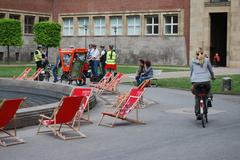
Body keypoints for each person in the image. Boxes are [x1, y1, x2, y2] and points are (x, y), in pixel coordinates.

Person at [190, 49, 215, 120]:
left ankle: (198, 113)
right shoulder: (207, 60)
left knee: (197, 97)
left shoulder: (192, 61)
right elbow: (211, 70)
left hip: (196, 82)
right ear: (203, 54)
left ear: (196, 54)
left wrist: (192, 81)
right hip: (206, 81)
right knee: (209, 88)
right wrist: (213, 77)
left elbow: (191, 71)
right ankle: (209, 98)